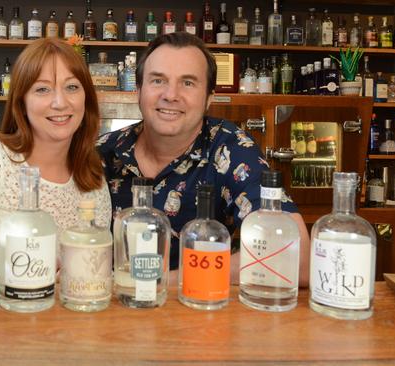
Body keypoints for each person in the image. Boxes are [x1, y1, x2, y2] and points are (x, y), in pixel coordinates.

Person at [97, 33, 310, 286]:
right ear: (138, 91)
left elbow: (299, 259)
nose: (171, 94)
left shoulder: (230, 149)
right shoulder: (103, 152)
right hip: (111, 309)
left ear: (209, 98)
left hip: (199, 309)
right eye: (157, 80)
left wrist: (165, 282)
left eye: (188, 83)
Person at [0, 37, 111, 234]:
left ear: (86, 98)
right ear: (21, 104)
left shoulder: (93, 180)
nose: (60, 103)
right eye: (42, 89)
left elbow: (95, 259)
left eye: (72, 87)